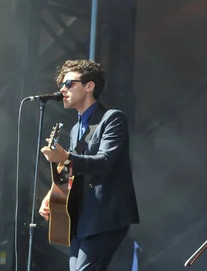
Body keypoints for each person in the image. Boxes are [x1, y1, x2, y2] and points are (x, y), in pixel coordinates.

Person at [39, 59, 140, 271]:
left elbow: (104, 162)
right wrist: (53, 193)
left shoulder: (112, 119)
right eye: (61, 85)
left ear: (89, 86)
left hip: (105, 215)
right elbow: (75, 171)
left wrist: (65, 157)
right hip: (82, 217)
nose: (62, 90)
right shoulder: (76, 129)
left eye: (68, 84)